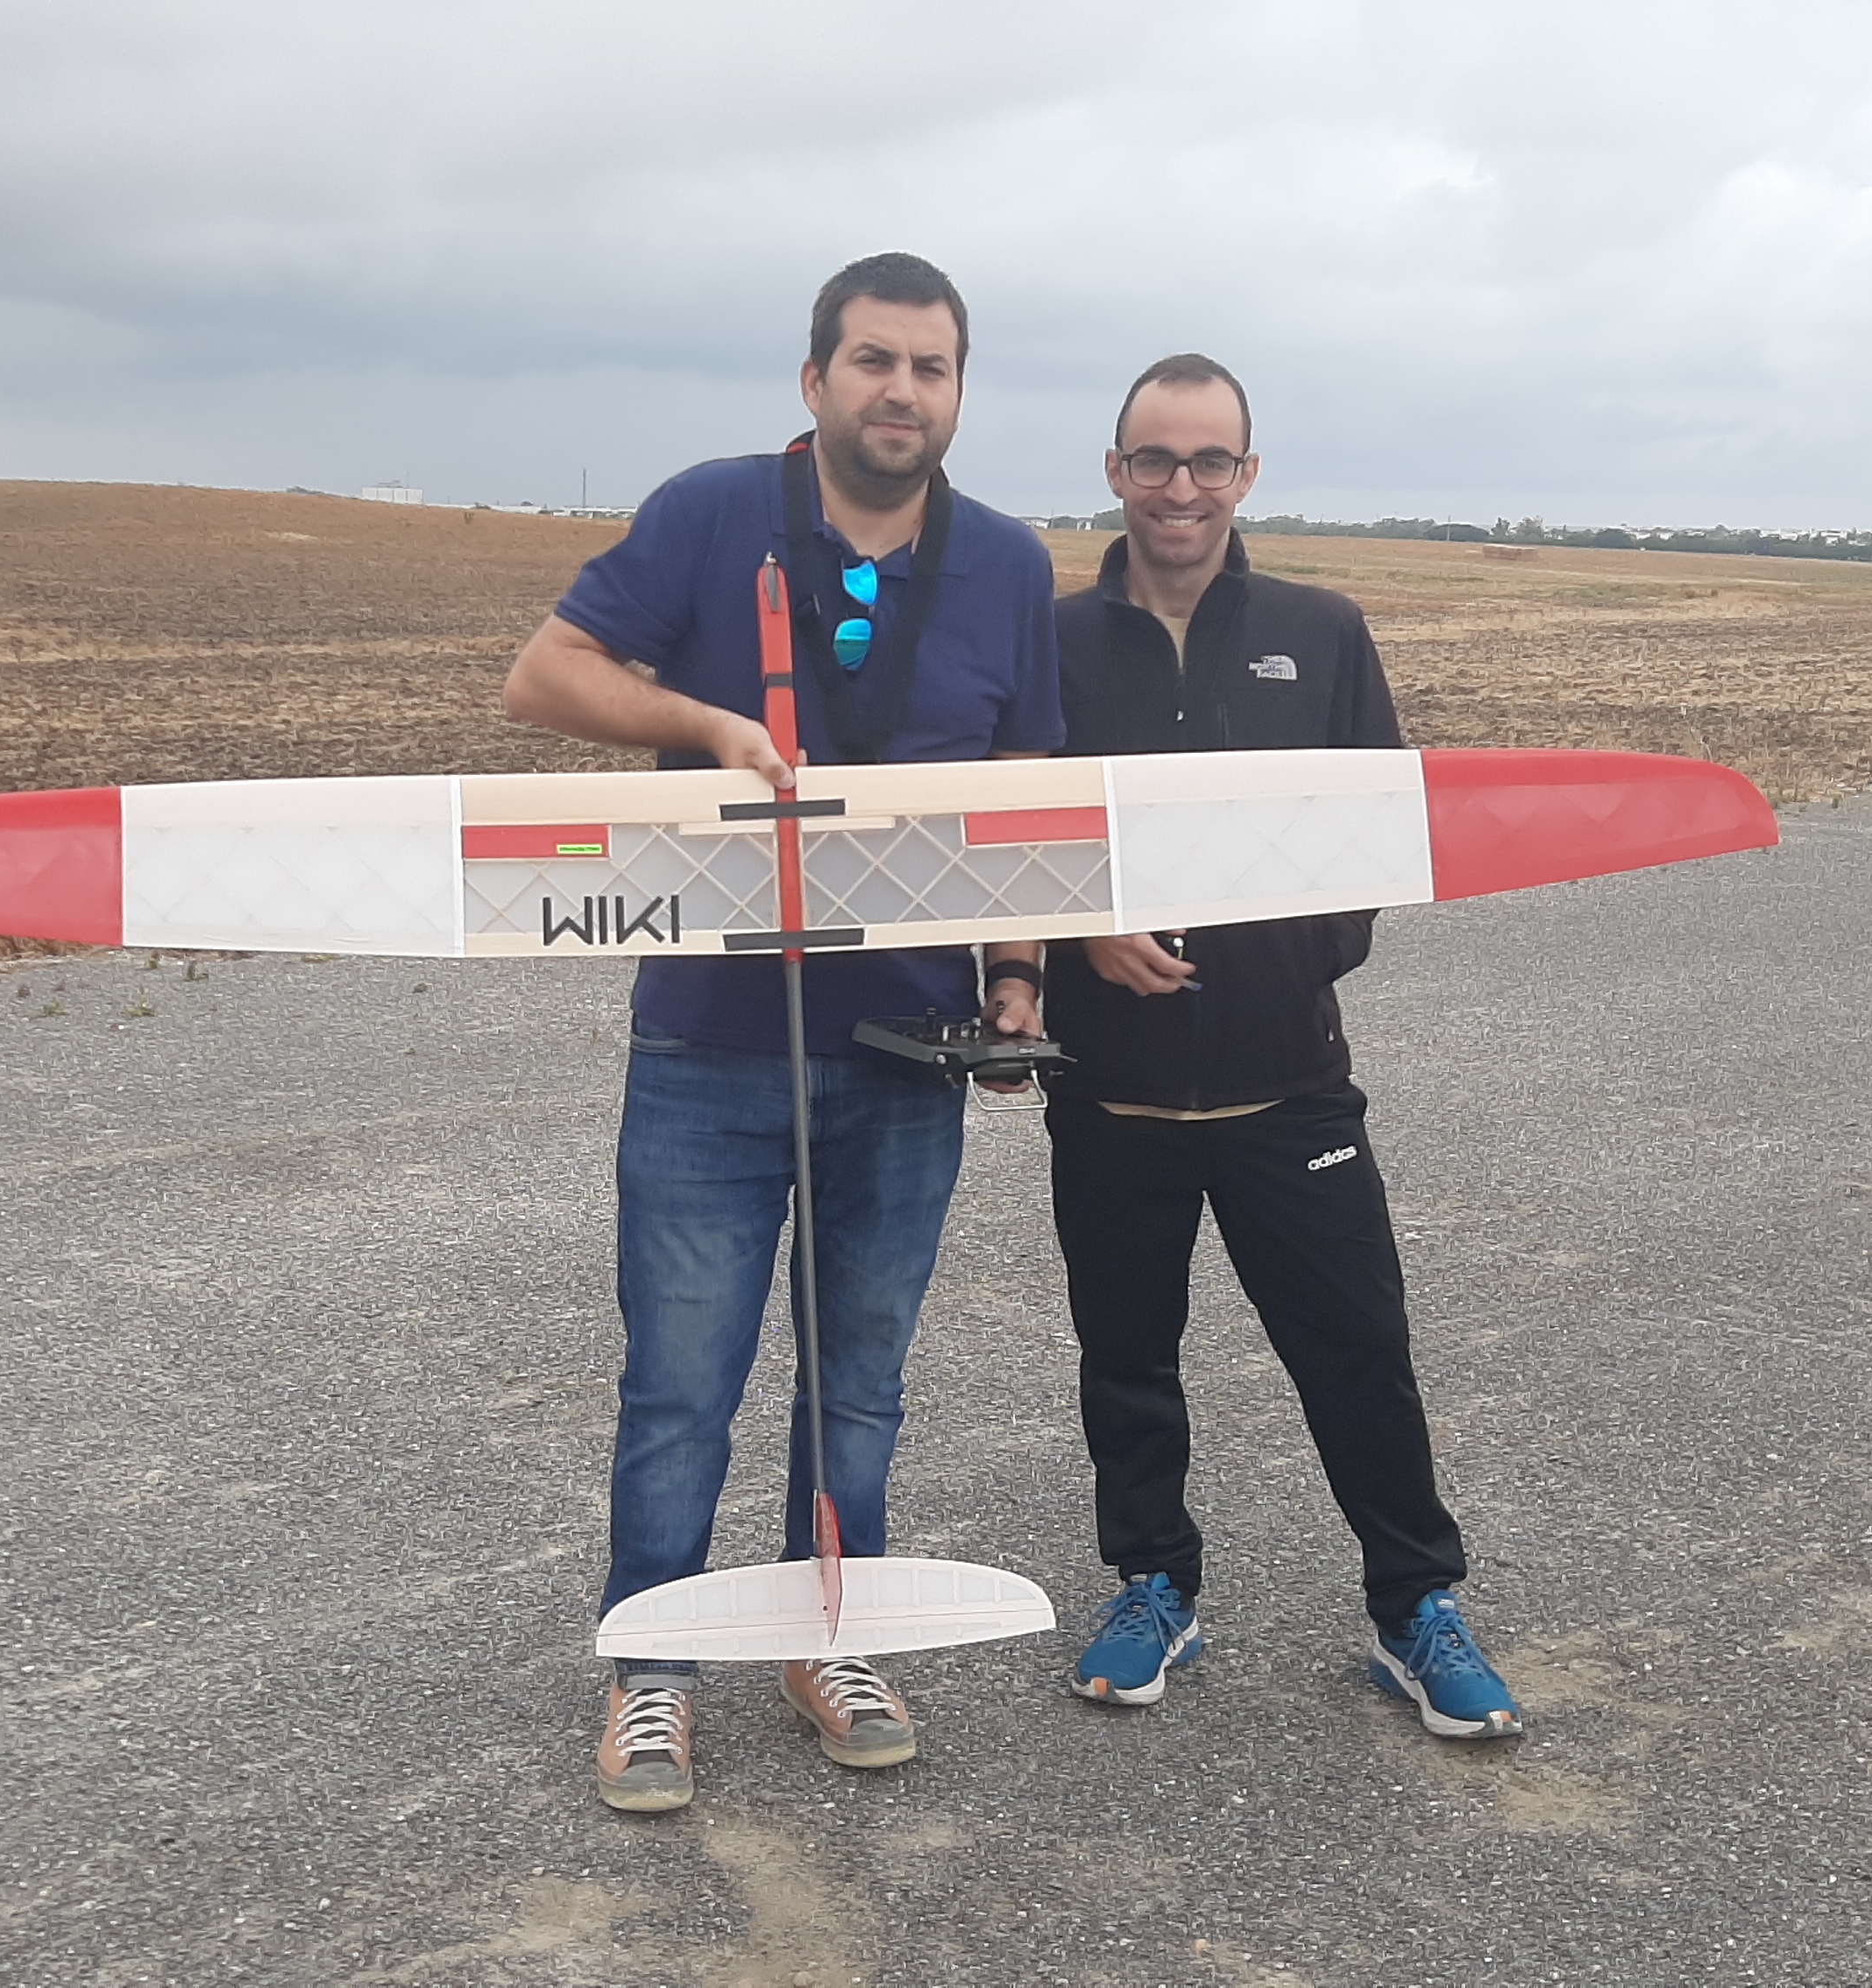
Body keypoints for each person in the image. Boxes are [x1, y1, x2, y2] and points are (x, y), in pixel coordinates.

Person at [500, 252, 1062, 1813]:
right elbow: (542, 675)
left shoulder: (1008, 564)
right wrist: (704, 729)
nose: (901, 390)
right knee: (682, 1383)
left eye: (930, 367)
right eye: (872, 360)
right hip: (709, 1042)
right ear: (814, 380)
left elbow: (1025, 798)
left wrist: (1016, 981)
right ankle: (653, 1666)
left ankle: (834, 1632)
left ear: (958, 394)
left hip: (909, 1051)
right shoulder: (707, 512)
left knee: (859, 1378)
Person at [1033, 353, 1518, 1738]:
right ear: (1115, 472)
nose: (1179, 487)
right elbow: (1009, 839)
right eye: (1153, 459)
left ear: (1246, 474)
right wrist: (1082, 938)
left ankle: (1414, 1608)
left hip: (1289, 1086)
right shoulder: (1051, 644)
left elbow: (1377, 838)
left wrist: (1282, 963)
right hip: (1112, 1093)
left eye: (1208, 461)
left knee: (1359, 1353)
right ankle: (1153, 1586)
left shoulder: (1322, 629)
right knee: (1127, 1361)